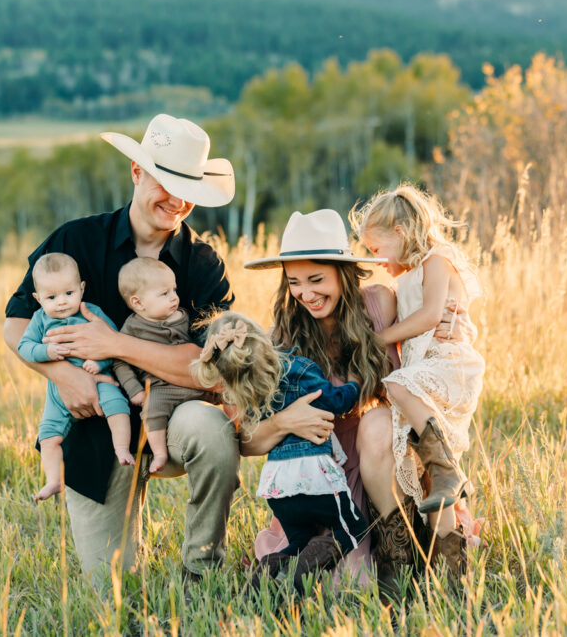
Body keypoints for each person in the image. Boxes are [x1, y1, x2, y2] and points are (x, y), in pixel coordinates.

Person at [3, 113, 242, 578]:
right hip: (94, 424)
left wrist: (113, 343)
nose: (176, 200)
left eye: (187, 188)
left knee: (212, 430)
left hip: (174, 411)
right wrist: (64, 375)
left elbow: (207, 366)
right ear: (136, 172)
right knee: (110, 589)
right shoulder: (75, 240)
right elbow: (14, 325)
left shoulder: (203, 263)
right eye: (164, 182)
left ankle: (201, 571)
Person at [242, 209, 479, 593]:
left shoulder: (380, 305)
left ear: (343, 273)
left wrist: (455, 323)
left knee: (377, 422)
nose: (307, 293)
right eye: (295, 283)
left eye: (317, 279)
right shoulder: (282, 338)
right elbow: (247, 439)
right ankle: (375, 557)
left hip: (385, 454)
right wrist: (286, 422)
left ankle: (396, 554)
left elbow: (431, 326)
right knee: (345, 585)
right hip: (326, 473)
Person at [353, 184, 485, 579]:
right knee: (427, 483)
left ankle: (445, 470)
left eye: (376, 250)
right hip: (422, 378)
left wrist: (378, 339)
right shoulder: (407, 277)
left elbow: (430, 317)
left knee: (396, 386)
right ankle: (446, 571)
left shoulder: (437, 260)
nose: (376, 260)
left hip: (444, 368)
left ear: (400, 232)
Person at [192, 311, 367, 589]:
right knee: (353, 527)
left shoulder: (248, 390)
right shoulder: (299, 367)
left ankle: (272, 565)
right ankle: (308, 568)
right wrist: (356, 384)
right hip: (314, 477)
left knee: (299, 541)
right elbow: (334, 402)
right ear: (263, 338)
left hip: (277, 488)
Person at [16, 253, 134, 501]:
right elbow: (24, 347)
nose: (61, 302)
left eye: (68, 293)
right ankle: (53, 481)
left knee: (117, 406)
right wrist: (45, 351)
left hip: (99, 379)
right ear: (38, 299)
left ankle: (122, 449)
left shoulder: (91, 312)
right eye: (51, 297)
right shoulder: (40, 320)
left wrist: (98, 361)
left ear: (81, 289)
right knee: (48, 436)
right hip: (58, 391)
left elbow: (114, 343)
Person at [112, 256, 208, 473]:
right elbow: (119, 362)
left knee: (226, 399)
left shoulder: (184, 316)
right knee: (151, 410)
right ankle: (160, 453)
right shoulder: (132, 328)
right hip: (160, 389)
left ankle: (226, 460)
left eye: (174, 290)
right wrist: (134, 390)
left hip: (193, 385)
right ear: (138, 303)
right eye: (164, 293)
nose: (174, 297)